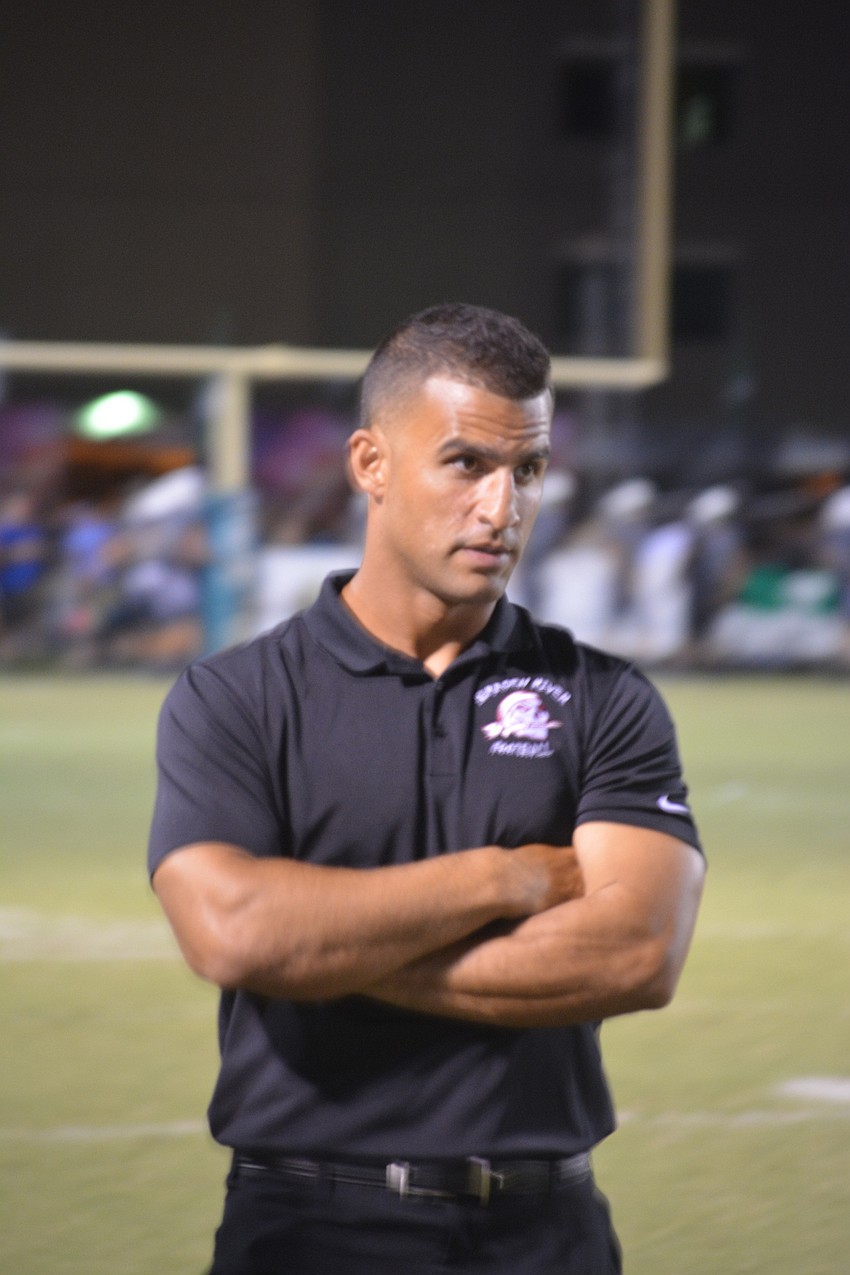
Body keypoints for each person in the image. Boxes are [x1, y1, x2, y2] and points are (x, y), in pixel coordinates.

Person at [148, 303, 705, 1275]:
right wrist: (505, 882)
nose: (503, 508)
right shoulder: (235, 696)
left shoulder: (603, 697)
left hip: (547, 1232)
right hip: (306, 1226)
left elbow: (634, 955)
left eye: (526, 469)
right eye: (466, 465)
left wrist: (322, 953)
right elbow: (234, 933)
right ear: (370, 465)